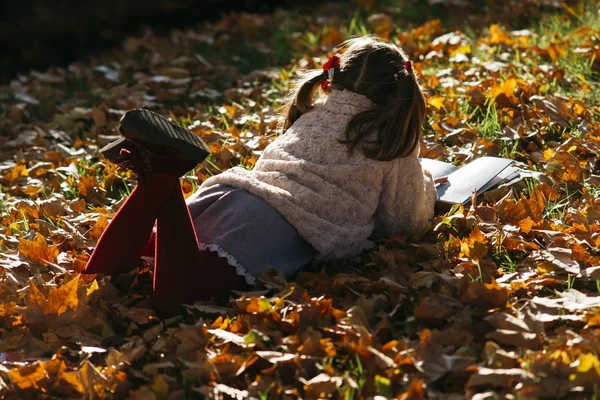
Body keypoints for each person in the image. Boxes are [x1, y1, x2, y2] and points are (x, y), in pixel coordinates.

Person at [83, 37, 437, 316]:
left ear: (333, 78)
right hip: (272, 228)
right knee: (179, 301)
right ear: (399, 94)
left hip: (230, 196)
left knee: (106, 278)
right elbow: (403, 221)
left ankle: (156, 177)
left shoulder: (309, 116)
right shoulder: (391, 144)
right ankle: (166, 173)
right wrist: (429, 188)